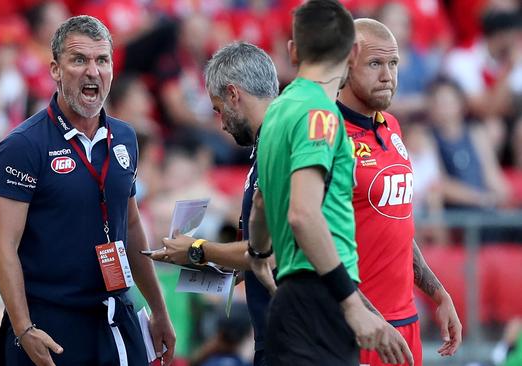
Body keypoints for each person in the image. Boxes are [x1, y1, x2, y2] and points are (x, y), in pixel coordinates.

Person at [0, 15, 175, 366]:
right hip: (49, 325)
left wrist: (159, 311)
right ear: (55, 69)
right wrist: (24, 329)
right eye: (79, 60)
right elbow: (1, 249)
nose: (93, 71)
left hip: (114, 317)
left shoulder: (126, 138)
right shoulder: (22, 147)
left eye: (102, 60)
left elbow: (131, 226)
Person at [247, 1, 413, 365]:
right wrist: (351, 304)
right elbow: (303, 215)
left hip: (292, 301)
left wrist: (258, 255)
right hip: (321, 297)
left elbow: (261, 201)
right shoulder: (321, 115)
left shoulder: (279, 108)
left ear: (293, 50)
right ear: (352, 52)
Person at [337, 18, 463, 365]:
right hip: (357, 328)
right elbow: (317, 242)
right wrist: (364, 316)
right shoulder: (328, 136)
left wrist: (438, 294)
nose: (387, 75)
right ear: (346, 64)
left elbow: (397, 223)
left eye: (393, 63)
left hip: (405, 324)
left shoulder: (390, 126)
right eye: (375, 63)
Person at [150, 41, 279, 366]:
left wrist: (197, 249)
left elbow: (273, 251)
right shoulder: (269, 143)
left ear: (234, 94)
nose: (220, 122)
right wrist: (226, 269)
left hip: (291, 333)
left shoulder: (280, 144)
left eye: (218, 108)